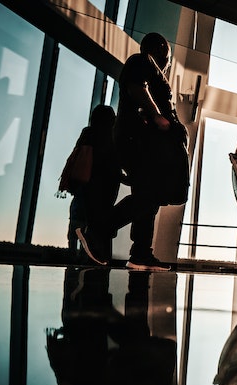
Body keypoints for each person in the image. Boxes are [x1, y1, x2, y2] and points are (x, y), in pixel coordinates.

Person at [77, 32, 189, 271]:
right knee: (152, 194)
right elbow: (137, 87)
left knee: (149, 196)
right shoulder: (141, 62)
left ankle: (140, 253)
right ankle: (100, 228)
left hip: (145, 145)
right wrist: (158, 116)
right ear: (161, 49)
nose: (168, 63)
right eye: (168, 56)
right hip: (140, 142)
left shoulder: (146, 67)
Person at [65, 105, 119, 256]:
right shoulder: (113, 136)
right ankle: (97, 254)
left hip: (85, 183)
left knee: (77, 220)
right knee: (101, 222)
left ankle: (73, 254)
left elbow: (77, 156)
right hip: (106, 186)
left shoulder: (88, 133)